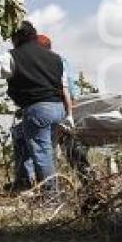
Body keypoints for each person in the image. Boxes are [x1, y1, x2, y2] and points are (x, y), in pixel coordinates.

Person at [0, 21, 72, 193]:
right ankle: (23, 183)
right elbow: (64, 89)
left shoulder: (14, 56)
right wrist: (69, 115)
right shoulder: (56, 58)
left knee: (42, 154)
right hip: (58, 109)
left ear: (17, 37)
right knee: (21, 136)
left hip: (38, 109)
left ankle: (51, 197)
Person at [36, 34, 91, 182]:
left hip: (62, 108)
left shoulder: (53, 61)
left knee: (66, 148)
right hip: (63, 108)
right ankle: (87, 181)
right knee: (67, 149)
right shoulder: (58, 60)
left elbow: (68, 89)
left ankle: (87, 182)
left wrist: (69, 112)